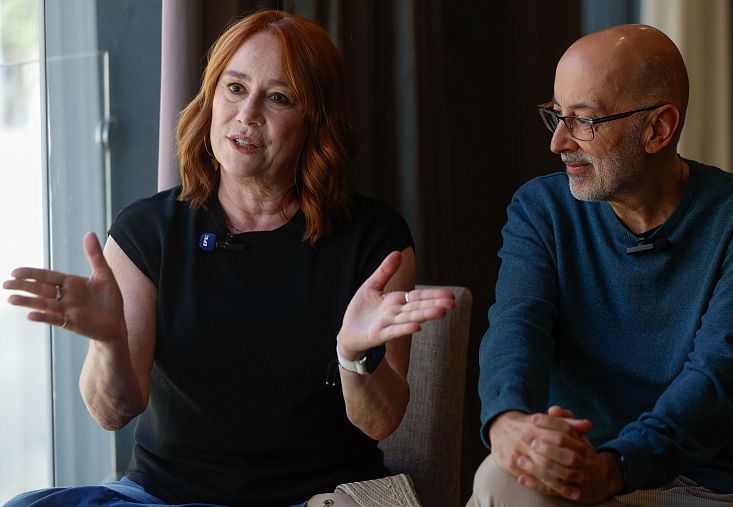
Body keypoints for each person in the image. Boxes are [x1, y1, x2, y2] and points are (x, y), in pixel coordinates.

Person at [3, 10, 454, 507]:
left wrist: (352, 356)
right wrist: (109, 342)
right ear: (211, 98)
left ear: (315, 120)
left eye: (278, 97)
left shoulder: (373, 239)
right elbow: (113, 412)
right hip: (164, 498)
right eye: (235, 88)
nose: (247, 113)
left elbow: (381, 422)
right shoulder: (147, 231)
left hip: (318, 497)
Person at [468, 24, 733, 507]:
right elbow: (516, 328)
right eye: (556, 115)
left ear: (657, 129)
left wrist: (615, 468)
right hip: (576, 471)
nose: (558, 142)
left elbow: (719, 376)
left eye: (583, 121)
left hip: (704, 485)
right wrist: (507, 421)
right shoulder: (541, 209)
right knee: (501, 479)